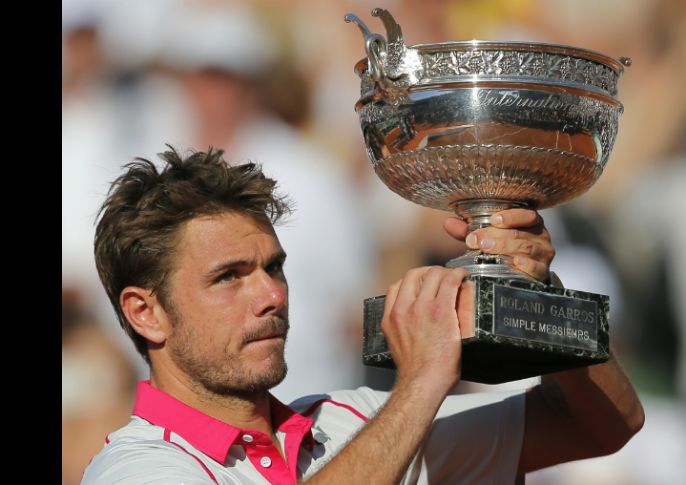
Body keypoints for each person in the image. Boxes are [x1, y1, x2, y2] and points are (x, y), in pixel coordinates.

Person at [81, 147, 644, 484]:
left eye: (273, 269)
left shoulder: (351, 420)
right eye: (228, 277)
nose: (272, 296)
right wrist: (421, 382)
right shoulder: (134, 469)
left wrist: (538, 295)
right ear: (145, 313)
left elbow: (602, 424)